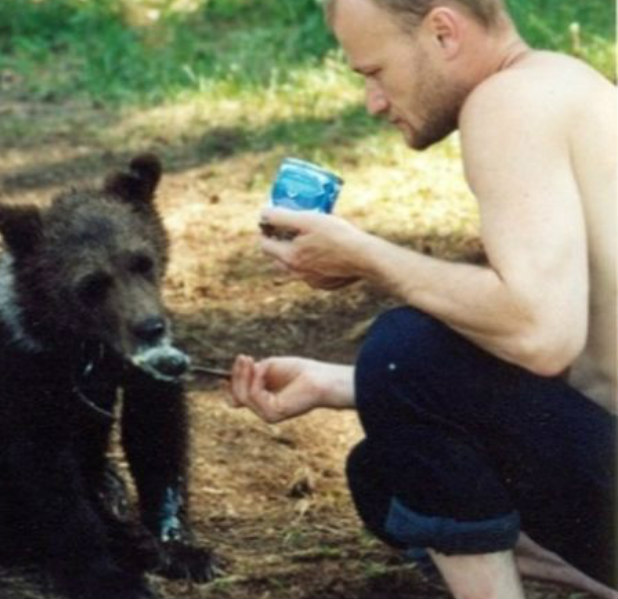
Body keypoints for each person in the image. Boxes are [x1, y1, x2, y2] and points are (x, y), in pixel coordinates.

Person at [227, 1, 617, 598]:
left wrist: (367, 257)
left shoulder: (506, 103)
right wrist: (345, 385)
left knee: (403, 349)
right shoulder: (566, 85)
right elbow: (581, 353)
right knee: (384, 476)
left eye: (375, 72)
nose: (374, 102)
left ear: (442, 31)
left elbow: (540, 335)